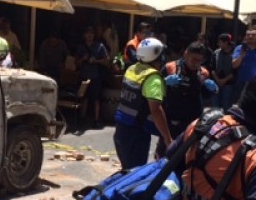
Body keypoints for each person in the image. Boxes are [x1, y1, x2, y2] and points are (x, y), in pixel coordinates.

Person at [113, 37, 172, 170]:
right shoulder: (152, 78)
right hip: (136, 133)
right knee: (134, 172)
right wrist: (168, 138)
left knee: (127, 169)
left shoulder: (131, 69)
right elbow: (156, 110)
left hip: (121, 129)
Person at [157, 41, 216, 156]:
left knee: (188, 154)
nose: (196, 63)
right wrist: (164, 83)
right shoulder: (170, 68)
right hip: (172, 120)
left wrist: (211, 90)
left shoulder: (203, 73)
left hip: (193, 120)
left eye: (200, 60)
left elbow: (205, 96)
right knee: (165, 153)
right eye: (194, 59)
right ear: (185, 54)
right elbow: (154, 91)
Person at [75, 25, 109, 129]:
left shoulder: (100, 46)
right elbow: (76, 63)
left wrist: (96, 61)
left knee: (96, 99)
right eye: (87, 33)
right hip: (84, 75)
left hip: (96, 76)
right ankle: (82, 118)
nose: (89, 35)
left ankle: (96, 120)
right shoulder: (80, 47)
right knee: (84, 98)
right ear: (84, 35)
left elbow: (107, 61)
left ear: (94, 35)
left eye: (91, 33)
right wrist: (83, 59)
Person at [231, 25, 256, 98]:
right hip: (242, 83)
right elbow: (234, 65)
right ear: (245, 36)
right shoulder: (239, 48)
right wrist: (241, 55)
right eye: (248, 35)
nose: (250, 37)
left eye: (253, 35)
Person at [211, 33, 236, 110]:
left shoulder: (235, 53)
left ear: (226, 43)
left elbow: (235, 71)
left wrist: (224, 80)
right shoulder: (216, 53)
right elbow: (212, 67)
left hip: (229, 84)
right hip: (216, 83)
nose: (218, 44)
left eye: (220, 42)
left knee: (227, 105)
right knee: (215, 105)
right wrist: (218, 80)